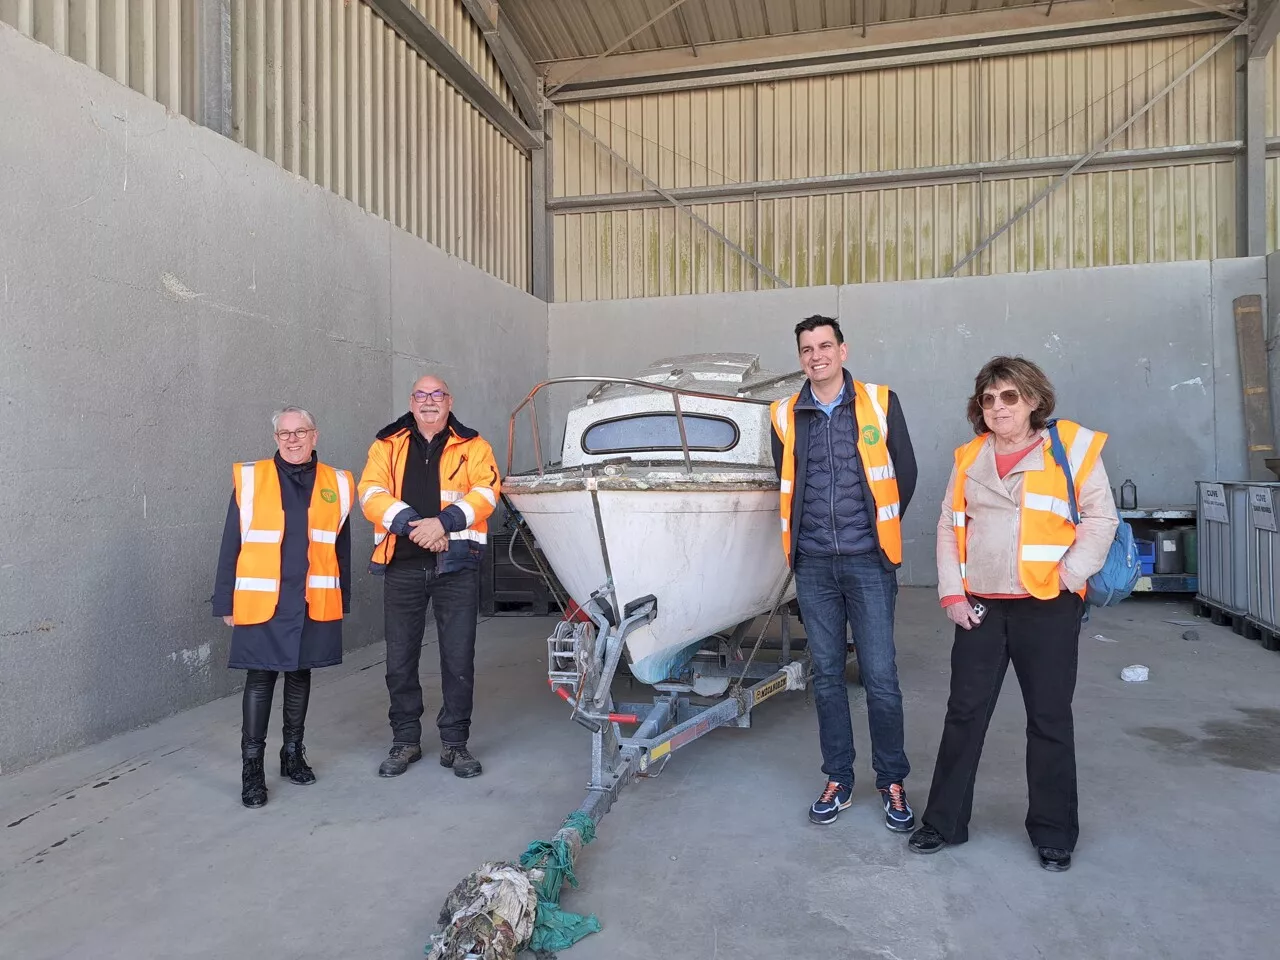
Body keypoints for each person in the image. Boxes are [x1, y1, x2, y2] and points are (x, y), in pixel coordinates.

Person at [908, 356, 1118, 872]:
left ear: (1033, 400)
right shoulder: (969, 458)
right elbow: (946, 526)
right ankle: (944, 822)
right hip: (981, 605)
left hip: (1047, 607)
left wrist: (1069, 578)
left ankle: (1053, 832)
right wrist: (952, 595)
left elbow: (1101, 517)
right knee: (964, 714)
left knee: (1048, 719)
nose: (998, 407)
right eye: (989, 399)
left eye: (1009, 397)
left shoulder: (1069, 449)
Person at [770, 315, 918, 829]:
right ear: (800, 357)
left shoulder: (880, 402)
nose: (817, 355)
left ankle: (892, 780)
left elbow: (905, 473)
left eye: (825, 345)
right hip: (813, 566)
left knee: (880, 678)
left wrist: (878, 538)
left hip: (868, 563)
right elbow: (785, 483)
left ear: (843, 350)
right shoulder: (785, 415)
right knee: (828, 677)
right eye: (807, 349)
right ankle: (838, 777)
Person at [358, 376, 500, 780]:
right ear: (411, 402)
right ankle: (405, 741)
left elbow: (486, 493)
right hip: (402, 564)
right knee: (399, 660)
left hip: (456, 567)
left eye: (436, 395)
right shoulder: (386, 444)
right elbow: (370, 493)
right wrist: (412, 525)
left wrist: (443, 524)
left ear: (449, 401)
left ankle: (455, 745)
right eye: (421, 396)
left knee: (458, 659)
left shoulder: (474, 445)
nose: (428, 402)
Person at [212, 406, 353, 809]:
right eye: (284, 434)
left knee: (300, 674)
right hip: (262, 599)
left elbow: (340, 545)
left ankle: (292, 755)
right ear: (276, 439)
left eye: (300, 432)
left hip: (310, 597)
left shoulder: (337, 482)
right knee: (260, 679)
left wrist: (340, 597)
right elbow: (230, 544)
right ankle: (252, 771)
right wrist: (226, 600)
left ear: (315, 435)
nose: (292, 440)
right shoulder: (252, 479)